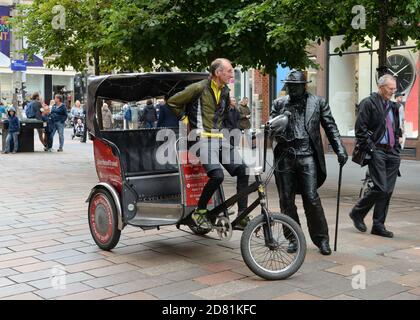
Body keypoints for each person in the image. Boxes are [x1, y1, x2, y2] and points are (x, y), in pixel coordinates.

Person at [270, 69, 348, 255]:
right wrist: (279, 122)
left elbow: (330, 127)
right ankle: (293, 238)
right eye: (289, 86)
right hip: (285, 156)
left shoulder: (318, 102)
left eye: (295, 87)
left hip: (307, 156)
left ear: (304, 86)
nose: (291, 90)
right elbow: (270, 128)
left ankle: (322, 239)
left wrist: (340, 148)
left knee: (311, 198)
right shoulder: (279, 104)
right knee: (286, 199)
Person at [167, 58, 250, 230]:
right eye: (228, 71)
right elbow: (173, 101)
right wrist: (184, 118)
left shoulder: (225, 91)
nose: (231, 74)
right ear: (218, 72)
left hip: (219, 138)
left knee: (243, 170)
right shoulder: (199, 88)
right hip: (201, 139)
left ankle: (242, 214)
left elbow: (225, 115)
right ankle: (201, 210)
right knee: (217, 176)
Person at [349, 74, 402, 238]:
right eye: (390, 88)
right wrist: (371, 149)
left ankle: (378, 225)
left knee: (387, 191)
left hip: (392, 152)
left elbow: (395, 128)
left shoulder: (393, 106)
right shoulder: (368, 103)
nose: (393, 91)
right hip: (377, 150)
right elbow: (360, 130)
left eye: (394, 88)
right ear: (381, 87)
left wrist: (397, 145)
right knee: (380, 187)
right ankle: (357, 212)